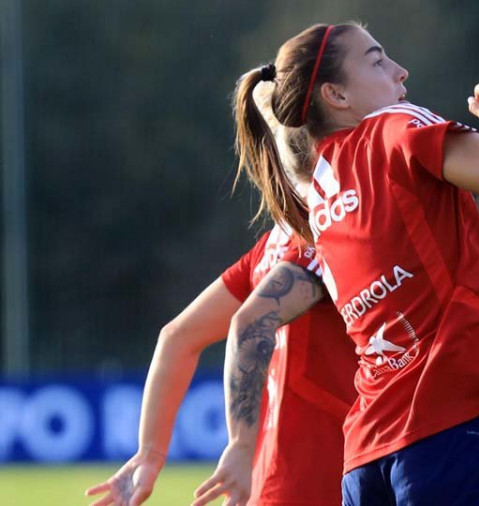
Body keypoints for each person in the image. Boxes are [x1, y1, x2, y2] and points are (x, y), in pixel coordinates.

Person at [198, 22, 479, 506]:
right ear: (336, 94)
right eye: (377, 61)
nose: (400, 72)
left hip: (369, 458)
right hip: (461, 422)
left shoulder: (321, 196)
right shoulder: (393, 127)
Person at [84, 85, 359, 506]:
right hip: (321, 481)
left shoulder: (274, 245)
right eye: (375, 63)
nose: (398, 76)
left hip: (282, 483)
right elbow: (241, 325)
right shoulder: (318, 240)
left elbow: (177, 337)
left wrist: (151, 453)